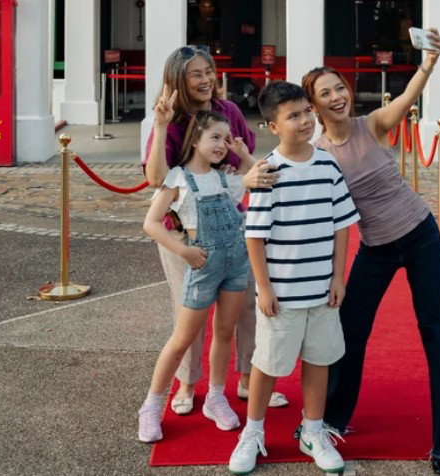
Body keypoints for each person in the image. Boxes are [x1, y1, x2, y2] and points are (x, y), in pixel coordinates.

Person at [278, 28, 440, 475]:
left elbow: (408, 97)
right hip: (376, 248)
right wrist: (251, 175)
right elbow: (282, 166)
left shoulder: (373, 125)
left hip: (420, 236)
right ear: (314, 106)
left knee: (438, 331)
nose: (337, 97)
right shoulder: (318, 153)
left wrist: (428, 63)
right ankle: (331, 419)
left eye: (339, 88)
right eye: (325, 94)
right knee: (348, 331)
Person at [144, 45, 284, 415]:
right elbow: (156, 179)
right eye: (196, 74)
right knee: (188, 311)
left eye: (209, 71)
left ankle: (248, 378)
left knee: (247, 305)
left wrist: (239, 169)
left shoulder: (228, 111)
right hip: (185, 232)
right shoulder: (172, 118)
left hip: (232, 224)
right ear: (178, 79)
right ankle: (188, 383)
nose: (206, 79)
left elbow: (245, 161)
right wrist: (160, 126)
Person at [229, 81, 357, 476]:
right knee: (268, 363)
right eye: (293, 116)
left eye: (306, 112)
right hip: (282, 294)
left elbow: (341, 225)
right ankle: (252, 432)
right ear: (273, 126)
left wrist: (338, 277)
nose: (304, 121)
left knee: (319, 359)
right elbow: (255, 236)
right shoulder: (268, 172)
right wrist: (264, 288)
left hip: (322, 289)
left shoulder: (328, 165)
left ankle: (313, 431)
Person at [137, 110, 253, 443]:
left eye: (225, 139)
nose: (221, 145)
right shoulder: (178, 178)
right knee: (182, 340)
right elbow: (151, 223)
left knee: (225, 333)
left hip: (236, 265)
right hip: (203, 269)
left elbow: (260, 175)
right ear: (195, 140)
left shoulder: (225, 177)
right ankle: (151, 405)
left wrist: (243, 153)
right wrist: (183, 251)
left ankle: (216, 397)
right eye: (214, 137)